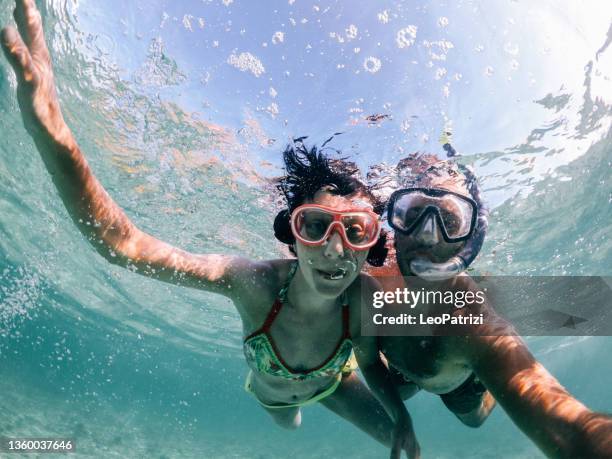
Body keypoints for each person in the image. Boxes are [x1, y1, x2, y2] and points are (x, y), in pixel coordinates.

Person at [1, 2, 419, 457]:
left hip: (336, 385)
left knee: (408, 449)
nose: (336, 250)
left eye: (357, 231)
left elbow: (368, 358)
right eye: (315, 226)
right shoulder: (251, 282)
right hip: (273, 395)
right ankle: (293, 415)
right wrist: (52, 127)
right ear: (292, 235)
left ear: (372, 243)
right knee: (289, 425)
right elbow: (121, 245)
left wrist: (402, 417)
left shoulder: (361, 300)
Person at [368, 145, 612, 458]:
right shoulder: (370, 277)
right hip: (403, 367)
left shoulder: (474, 323)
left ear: (470, 240)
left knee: (474, 420)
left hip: (455, 382)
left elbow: (574, 430)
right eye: (412, 217)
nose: (428, 237)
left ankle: (480, 382)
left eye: (449, 222)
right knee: (397, 390)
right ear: (394, 229)